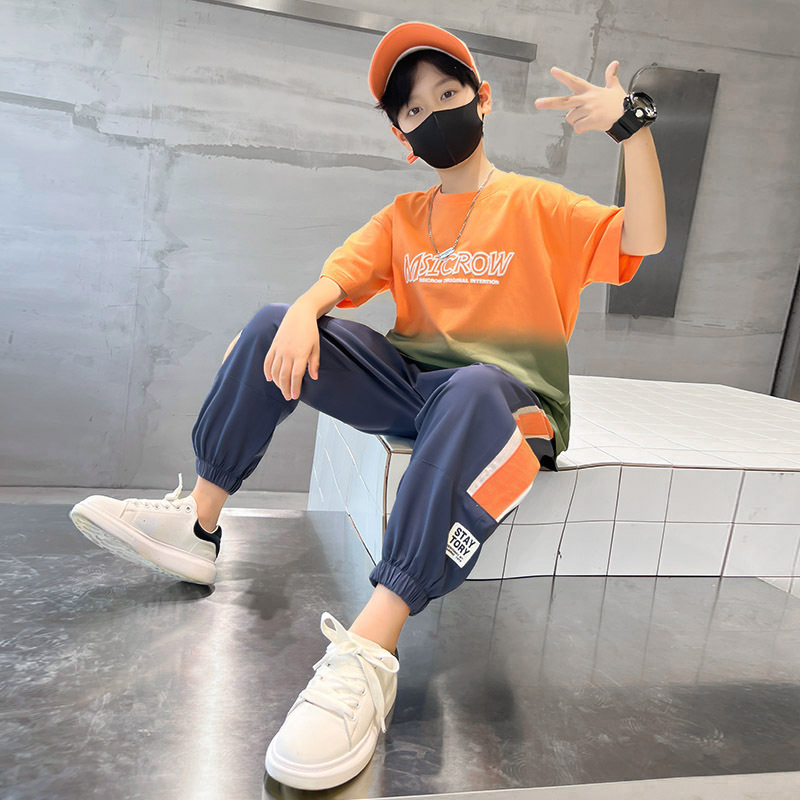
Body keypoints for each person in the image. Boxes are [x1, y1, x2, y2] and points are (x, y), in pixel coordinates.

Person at [69, 20, 662, 791]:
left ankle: (369, 651)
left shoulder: (538, 205)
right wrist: (299, 311)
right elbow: (342, 274)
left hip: (509, 404)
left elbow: (643, 237)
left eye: (447, 93)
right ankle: (199, 524)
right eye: (414, 109)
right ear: (401, 135)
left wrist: (630, 127)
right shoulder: (404, 217)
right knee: (271, 323)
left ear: (482, 99)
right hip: (416, 387)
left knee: (474, 386)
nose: (434, 112)